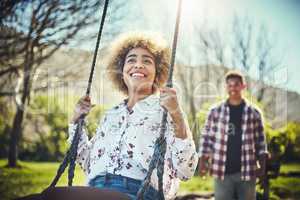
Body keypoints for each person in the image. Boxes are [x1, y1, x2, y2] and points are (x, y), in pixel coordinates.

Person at [68, 32, 198, 200]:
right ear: (122, 71)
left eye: (147, 61)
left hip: (140, 192)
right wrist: (75, 120)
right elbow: (87, 162)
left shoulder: (167, 112)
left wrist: (177, 115)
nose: (138, 65)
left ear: (157, 72)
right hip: (95, 188)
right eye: (131, 60)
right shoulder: (111, 114)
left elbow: (185, 171)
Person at [198, 71, 268, 200]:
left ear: (243, 86)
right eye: (229, 85)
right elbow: (207, 138)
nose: (232, 88)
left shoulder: (254, 113)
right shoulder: (215, 112)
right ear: (226, 88)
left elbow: (261, 143)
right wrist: (203, 162)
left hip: (247, 171)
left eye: (236, 84)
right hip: (222, 171)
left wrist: (263, 168)